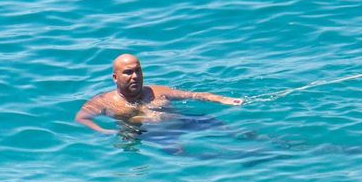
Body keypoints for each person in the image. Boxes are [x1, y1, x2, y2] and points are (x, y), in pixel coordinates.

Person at [75, 53, 243, 133]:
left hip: (184, 122)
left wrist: (223, 100)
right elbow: (81, 118)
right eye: (128, 72)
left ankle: (261, 142)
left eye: (138, 71)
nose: (135, 76)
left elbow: (194, 95)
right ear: (115, 77)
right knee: (182, 154)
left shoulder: (156, 91)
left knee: (222, 126)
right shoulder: (103, 101)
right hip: (155, 136)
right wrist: (104, 131)